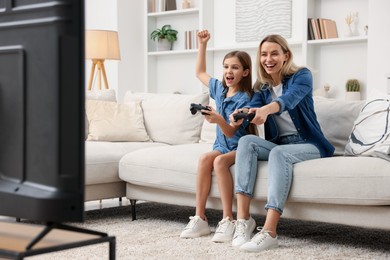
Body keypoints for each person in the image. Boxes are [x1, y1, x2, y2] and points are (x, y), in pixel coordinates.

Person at [229, 34, 334, 251]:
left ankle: (269, 231)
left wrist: (267, 110)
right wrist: (240, 114)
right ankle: (243, 220)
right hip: (281, 143)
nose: (268, 58)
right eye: (264, 54)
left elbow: (290, 99)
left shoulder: (302, 75)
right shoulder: (262, 87)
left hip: (311, 144)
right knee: (247, 141)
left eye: (274, 53)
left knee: (279, 154)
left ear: (286, 56)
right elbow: (253, 107)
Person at [180, 30, 254, 243]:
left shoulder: (246, 99)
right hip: (221, 144)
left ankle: (228, 219)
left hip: (239, 147)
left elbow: (231, 130)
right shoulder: (220, 89)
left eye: (235, 67)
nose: (229, 71)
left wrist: (218, 119)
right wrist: (203, 44)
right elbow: (200, 72)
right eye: (226, 66)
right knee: (204, 159)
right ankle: (200, 217)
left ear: (245, 73)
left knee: (220, 163)